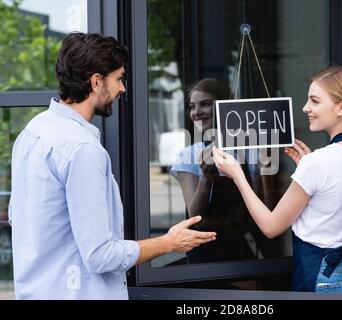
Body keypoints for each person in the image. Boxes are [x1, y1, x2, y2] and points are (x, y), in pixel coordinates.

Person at [8, 33, 216, 300]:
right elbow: (100, 256)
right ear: (96, 82)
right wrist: (168, 243)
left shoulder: (32, 132)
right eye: (118, 78)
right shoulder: (82, 150)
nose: (122, 89)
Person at [213, 66, 342, 293]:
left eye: (315, 101)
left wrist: (237, 175)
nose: (305, 108)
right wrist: (308, 168)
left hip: (324, 277)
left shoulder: (318, 163)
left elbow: (270, 227)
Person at [170, 78, 272, 263]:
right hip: (205, 257)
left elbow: (268, 209)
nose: (196, 112)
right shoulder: (188, 156)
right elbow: (194, 217)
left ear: (224, 107)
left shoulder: (251, 150)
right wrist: (206, 179)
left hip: (246, 254)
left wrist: (266, 168)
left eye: (205, 104)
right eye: (192, 106)